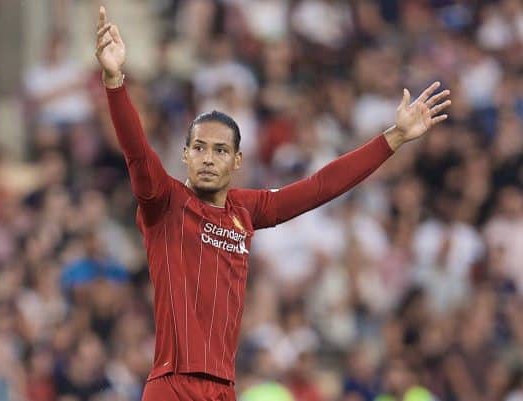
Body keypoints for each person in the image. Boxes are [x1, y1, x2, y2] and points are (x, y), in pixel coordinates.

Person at [94, 5, 451, 401]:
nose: (208, 158)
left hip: (223, 388)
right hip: (172, 384)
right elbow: (136, 151)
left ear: (237, 160)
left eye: (219, 150)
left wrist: (393, 138)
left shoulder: (246, 210)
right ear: (185, 155)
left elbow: (320, 186)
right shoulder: (164, 203)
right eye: (198, 148)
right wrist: (114, 80)